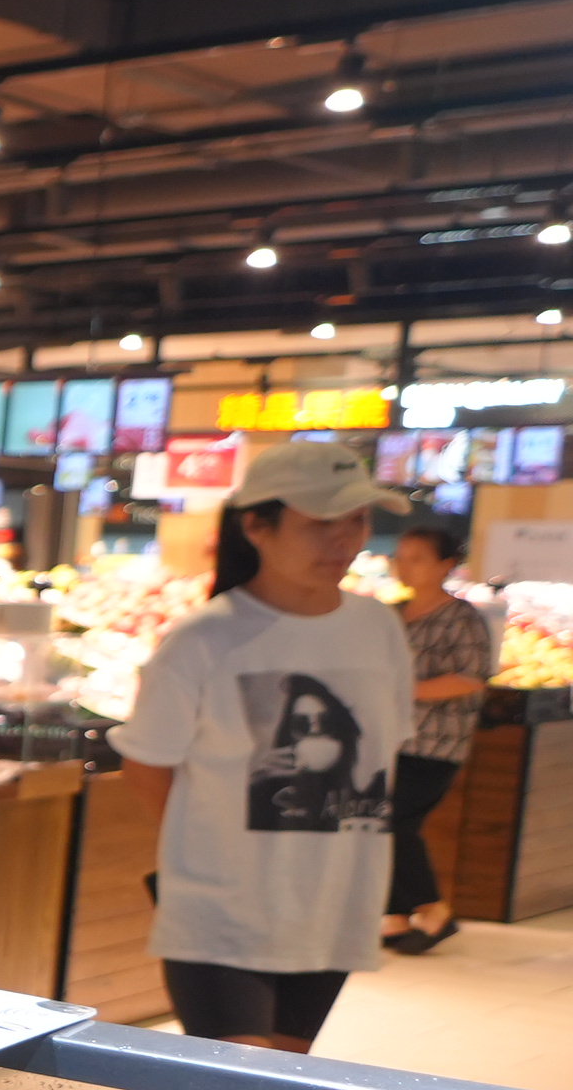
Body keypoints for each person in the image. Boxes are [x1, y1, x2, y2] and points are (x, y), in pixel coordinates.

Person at [112, 436, 409, 1051]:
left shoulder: (378, 627)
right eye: (320, 522)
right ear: (256, 526)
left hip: (332, 906)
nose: (345, 539)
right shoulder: (204, 639)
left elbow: (383, 758)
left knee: (275, 1086)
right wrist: (212, 845)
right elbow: (145, 766)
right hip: (222, 913)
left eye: (357, 519)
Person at [379, 511, 490, 953]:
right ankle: (394, 916)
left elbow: (471, 678)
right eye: (400, 557)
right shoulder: (391, 614)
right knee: (378, 821)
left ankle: (433, 909)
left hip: (434, 742)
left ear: (446, 565)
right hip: (388, 739)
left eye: (418, 558)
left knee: (392, 821)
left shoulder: (462, 618)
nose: (405, 566)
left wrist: (407, 691)